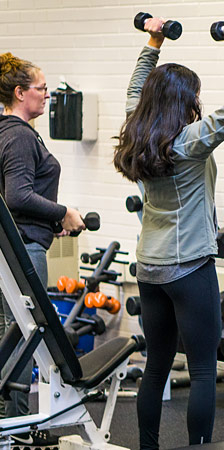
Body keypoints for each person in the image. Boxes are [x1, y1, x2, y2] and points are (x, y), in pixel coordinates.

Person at [112, 16, 224, 449]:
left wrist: (153, 40)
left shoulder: (139, 135)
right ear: (184, 100)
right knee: (203, 370)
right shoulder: (190, 141)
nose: (198, 100)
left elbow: (134, 92)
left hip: (149, 266)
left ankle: (148, 446)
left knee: (155, 366)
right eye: (194, 95)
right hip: (189, 266)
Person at [0, 52, 86, 447]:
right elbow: (17, 197)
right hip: (23, 252)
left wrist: (53, 223)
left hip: (20, 244)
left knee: (13, 339)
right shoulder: (17, 135)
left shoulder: (9, 132)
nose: (48, 96)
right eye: (42, 89)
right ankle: (14, 432)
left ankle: (11, 428)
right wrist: (63, 211)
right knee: (24, 342)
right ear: (20, 93)